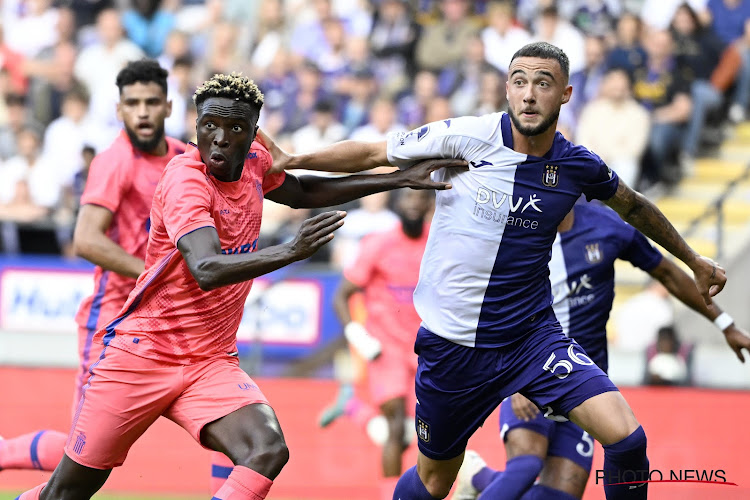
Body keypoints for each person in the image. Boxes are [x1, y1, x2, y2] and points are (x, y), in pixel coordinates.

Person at [262, 42, 729, 500]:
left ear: (565, 94)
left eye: (543, 84)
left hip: (531, 339)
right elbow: (371, 154)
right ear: (507, 89)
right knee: (434, 481)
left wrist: (694, 259)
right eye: (520, 82)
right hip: (453, 347)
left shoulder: (575, 165)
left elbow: (634, 205)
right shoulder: (464, 135)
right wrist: (293, 160)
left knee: (628, 439)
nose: (529, 94)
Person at [13, 72, 462, 500]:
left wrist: (398, 178)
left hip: (209, 361)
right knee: (67, 492)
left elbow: (302, 190)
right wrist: (290, 250)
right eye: (209, 125)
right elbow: (205, 267)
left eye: (235, 127)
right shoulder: (185, 179)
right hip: (144, 352)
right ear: (195, 125)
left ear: (254, 134)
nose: (221, 139)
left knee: (267, 450)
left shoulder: (254, 163)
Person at [451, 201, 750, 500]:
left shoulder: (609, 228)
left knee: (558, 497)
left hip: (584, 386)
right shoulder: (518, 230)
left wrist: (726, 324)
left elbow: (668, 274)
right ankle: (480, 476)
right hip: (530, 371)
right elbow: (495, 301)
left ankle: (479, 476)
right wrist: (515, 379)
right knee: (526, 467)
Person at [0, 58, 185, 476]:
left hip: (165, 322)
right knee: (82, 456)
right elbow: (85, 239)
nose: (142, 111)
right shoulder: (113, 162)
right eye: (133, 103)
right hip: (113, 321)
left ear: (168, 107)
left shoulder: (183, 158)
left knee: (227, 420)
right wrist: (152, 274)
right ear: (119, 110)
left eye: (151, 102)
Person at [323, 189, 433, 500]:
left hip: (424, 350)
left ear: (429, 203)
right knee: (396, 427)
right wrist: (357, 334)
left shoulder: (438, 243)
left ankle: (354, 408)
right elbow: (341, 296)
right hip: (386, 349)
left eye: (420, 199)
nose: (413, 204)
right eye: (408, 198)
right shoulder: (378, 244)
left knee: (411, 435)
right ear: (397, 204)